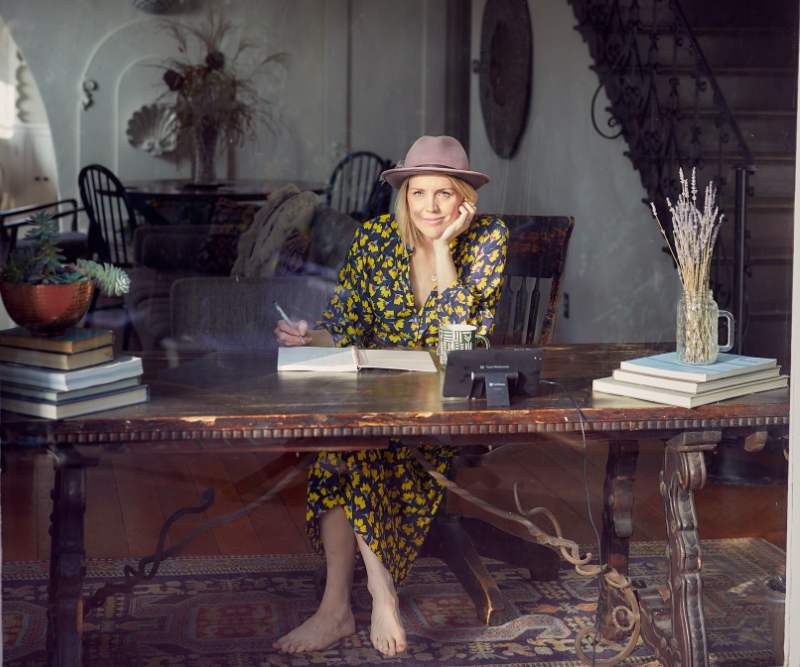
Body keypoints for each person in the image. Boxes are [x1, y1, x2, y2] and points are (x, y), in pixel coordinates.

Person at [273, 135, 508, 657]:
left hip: (450, 403)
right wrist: (310, 338)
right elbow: (345, 324)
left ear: (464, 198)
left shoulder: (488, 238)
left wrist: (443, 251)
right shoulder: (376, 237)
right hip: (377, 395)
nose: (430, 206)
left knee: (349, 447)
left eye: (443, 193)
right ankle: (360, 601)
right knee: (342, 442)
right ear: (404, 195)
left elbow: (460, 346)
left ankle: (351, 604)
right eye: (418, 192)